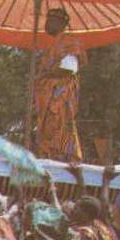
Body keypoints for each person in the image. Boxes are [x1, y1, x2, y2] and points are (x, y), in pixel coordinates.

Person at [34, 8, 86, 162]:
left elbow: (69, 69)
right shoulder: (51, 47)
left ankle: (65, 156)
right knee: (47, 130)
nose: (47, 24)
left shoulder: (69, 42)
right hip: (48, 97)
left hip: (59, 95)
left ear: (61, 23)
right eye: (46, 20)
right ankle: (49, 155)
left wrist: (43, 75)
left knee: (59, 126)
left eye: (51, 21)